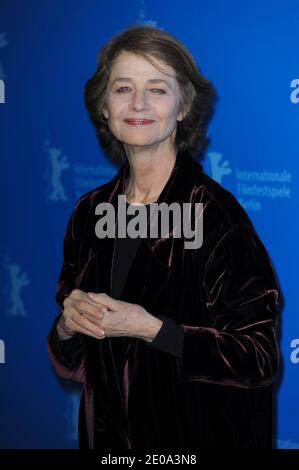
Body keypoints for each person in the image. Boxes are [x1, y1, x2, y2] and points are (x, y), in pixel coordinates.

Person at [46, 24, 280, 449]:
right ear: (103, 105)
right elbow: (74, 359)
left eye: (157, 89)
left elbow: (257, 357)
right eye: (122, 88)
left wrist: (153, 329)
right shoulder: (89, 213)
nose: (138, 103)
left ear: (184, 105)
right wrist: (66, 327)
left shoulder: (215, 216)